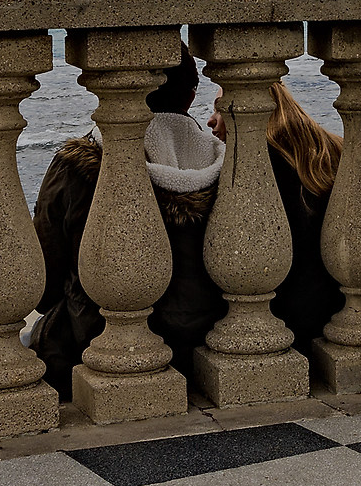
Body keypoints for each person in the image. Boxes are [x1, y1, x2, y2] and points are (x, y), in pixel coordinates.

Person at [27, 50, 227, 397]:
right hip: (207, 336)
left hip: (94, 339)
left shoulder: (77, 166)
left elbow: (42, 281)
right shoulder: (227, 163)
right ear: (192, 94)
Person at [210, 82, 346, 353]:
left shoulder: (250, 169)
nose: (211, 119)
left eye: (218, 109)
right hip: (330, 306)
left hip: (278, 315)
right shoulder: (330, 151)